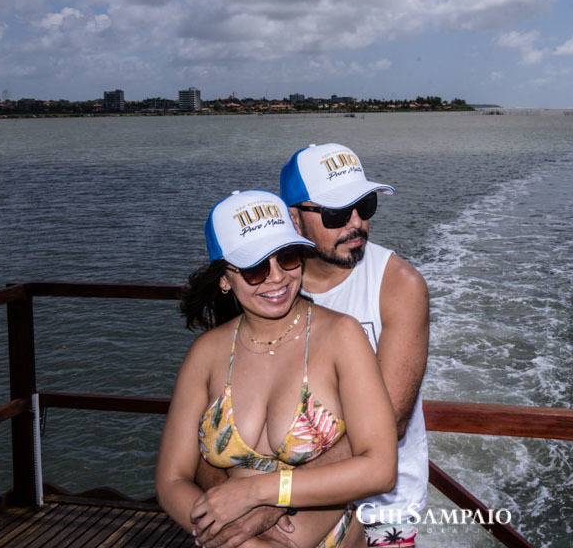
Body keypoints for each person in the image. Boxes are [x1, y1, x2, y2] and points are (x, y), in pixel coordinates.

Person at [194, 143, 430, 548]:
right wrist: (228, 500)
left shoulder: (396, 285)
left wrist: (273, 499)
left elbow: (390, 421)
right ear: (292, 218)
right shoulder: (262, 290)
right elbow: (216, 417)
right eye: (337, 213)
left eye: (365, 206)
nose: (357, 224)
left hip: (378, 509)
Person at [156, 189, 397, 548]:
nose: (276, 277)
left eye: (287, 257)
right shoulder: (205, 354)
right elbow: (171, 480)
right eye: (254, 267)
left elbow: (380, 468)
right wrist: (237, 540)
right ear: (224, 278)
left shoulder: (342, 336)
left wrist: (258, 492)